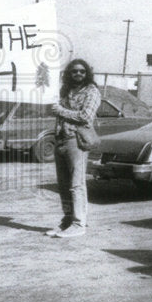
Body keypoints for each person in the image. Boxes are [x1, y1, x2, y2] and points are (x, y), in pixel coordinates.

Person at [46, 58, 101, 239]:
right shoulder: (65, 91)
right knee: (63, 184)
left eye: (82, 71)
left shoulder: (92, 91)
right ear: (69, 73)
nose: (78, 74)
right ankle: (68, 221)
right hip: (61, 139)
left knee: (76, 184)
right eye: (74, 71)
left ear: (87, 73)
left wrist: (60, 110)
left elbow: (86, 116)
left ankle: (79, 223)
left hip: (76, 140)